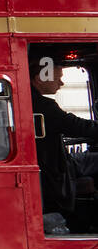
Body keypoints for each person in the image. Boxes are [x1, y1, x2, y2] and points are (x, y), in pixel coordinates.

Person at [30, 52, 98, 220]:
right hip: (53, 169)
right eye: (57, 78)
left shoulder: (21, 99)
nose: (61, 83)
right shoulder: (44, 106)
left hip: (54, 162)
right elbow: (79, 126)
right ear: (40, 78)